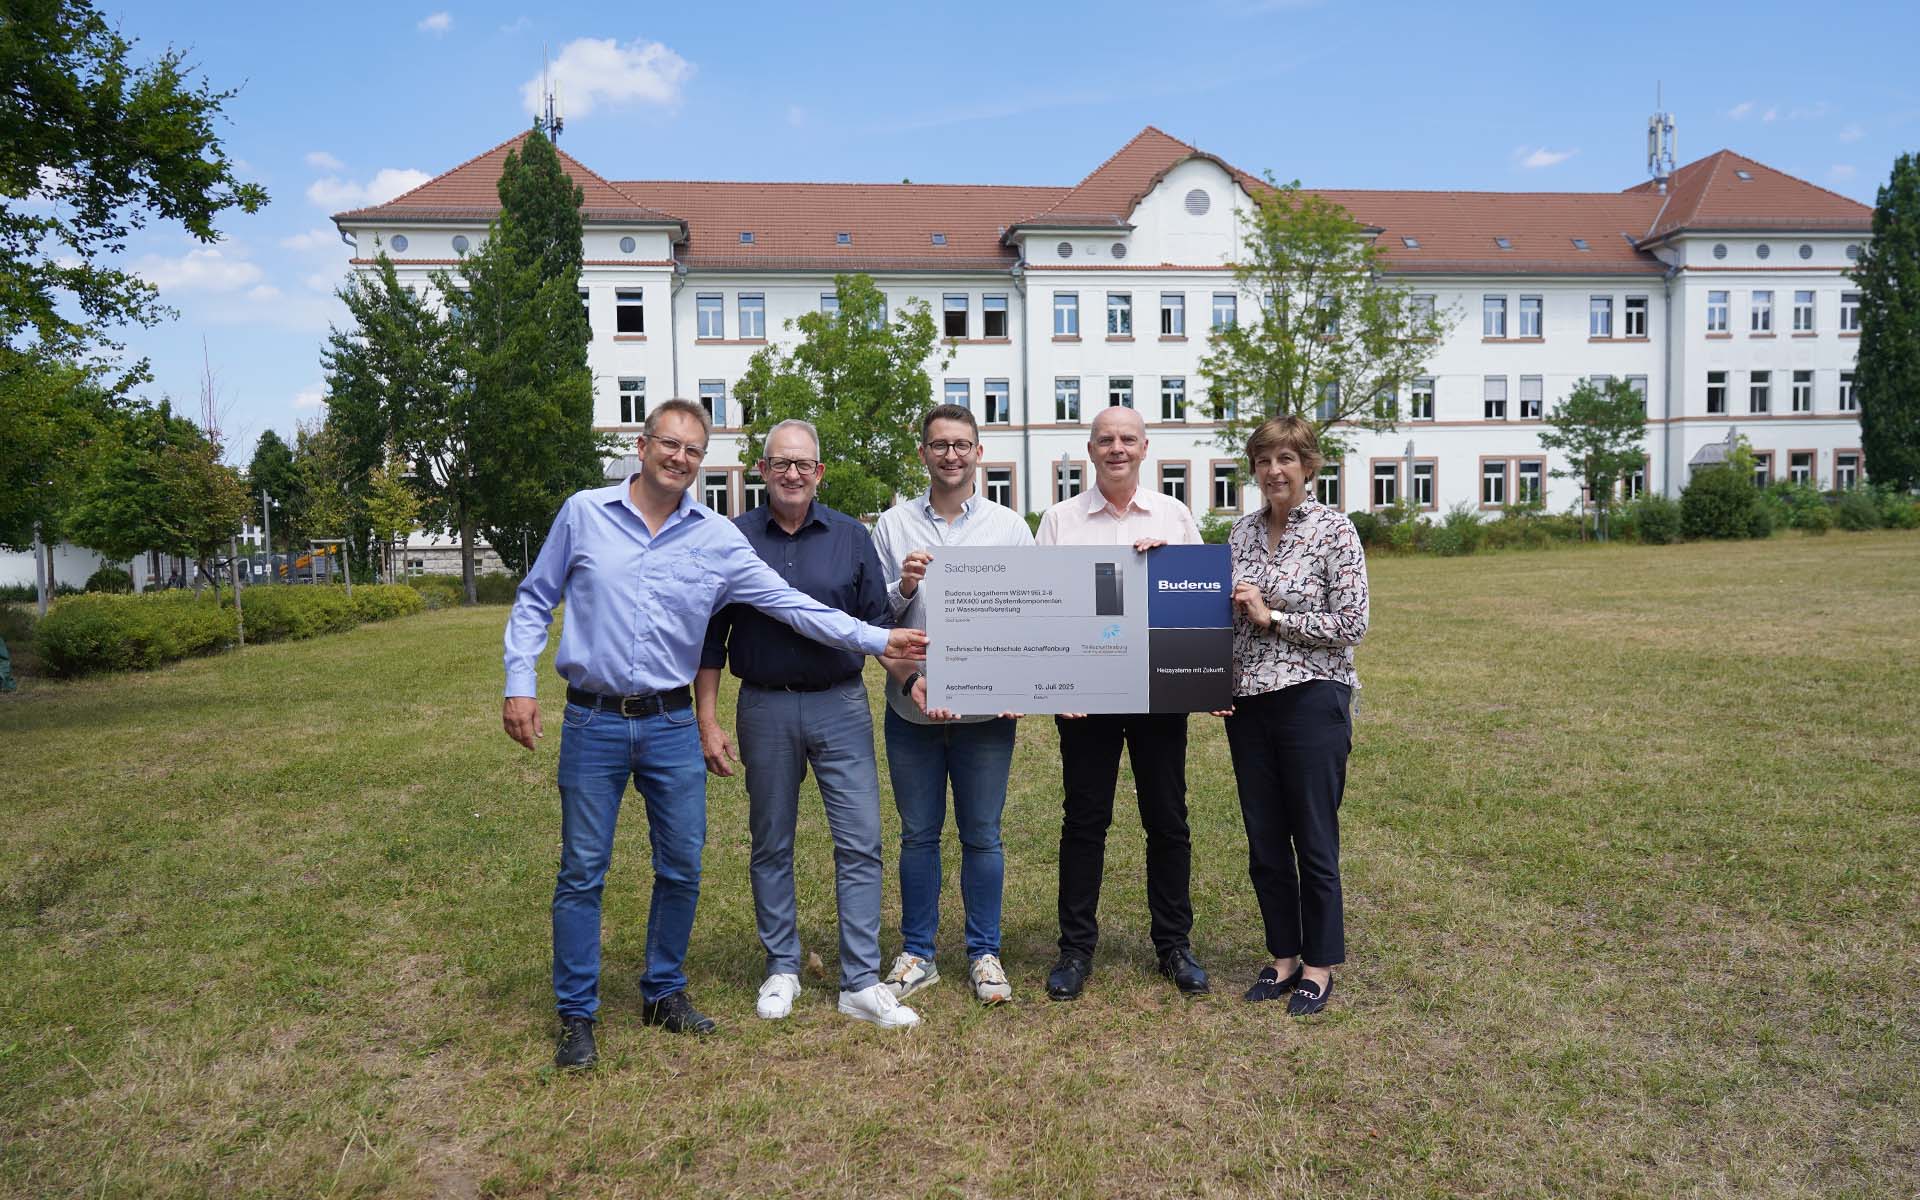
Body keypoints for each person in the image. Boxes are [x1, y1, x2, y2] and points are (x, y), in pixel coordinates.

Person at [504, 399, 928, 1069]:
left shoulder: (714, 535)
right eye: (668, 444)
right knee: (584, 870)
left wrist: (878, 638)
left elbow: (792, 606)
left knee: (682, 867)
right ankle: (577, 1014)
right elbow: (535, 598)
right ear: (643, 446)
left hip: (671, 721)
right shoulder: (584, 513)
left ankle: (662, 992)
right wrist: (519, 681)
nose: (678, 457)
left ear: (704, 462)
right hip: (594, 719)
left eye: (693, 450)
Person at [694, 418, 920, 1030]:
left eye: (804, 464)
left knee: (861, 839)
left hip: (839, 705)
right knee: (772, 840)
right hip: (763, 706)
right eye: (780, 463)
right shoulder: (734, 538)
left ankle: (858, 982)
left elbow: (878, 629)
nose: (792, 473)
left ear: (819, 473)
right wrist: (708, 720)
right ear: (761, 470)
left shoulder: (851, 538)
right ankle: (782, 966)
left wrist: (914, 681)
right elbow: (711, 640)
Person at [1034, 406, 1209, 1000]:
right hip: (1086, 696)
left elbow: (1199, 606)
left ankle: (1175, 945)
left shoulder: (1174, 514)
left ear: (1144, 448)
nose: (1116, 448)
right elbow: (1042, 609)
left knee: (1168, 818)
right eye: (1105, 439)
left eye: (1126, 439)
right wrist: (1060, 683)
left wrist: (1170, 565)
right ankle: (1075, 949)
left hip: (1159, 691)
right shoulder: (1059, 520)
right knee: (1085, 820)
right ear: (1090, 450)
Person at [871, 403, 1035, 1006]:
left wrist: (1024, 682)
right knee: (918, 835)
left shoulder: (1009, 527)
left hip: (987, 716)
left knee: (983, 835)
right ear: (923, 453)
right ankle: (918, 952)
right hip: (912, 706)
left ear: (978, 452)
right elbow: (872, 623)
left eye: (962, 444)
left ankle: (984, 952)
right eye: (939, 445)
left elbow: (1032, 615)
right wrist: (906, 587)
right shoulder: (890, 527)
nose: (951, 455)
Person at [1223, 415, 1369, 1016]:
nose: (1274, 470)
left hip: (1314, 698)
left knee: (1312, 834)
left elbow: (1352, 624)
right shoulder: (1240, 533)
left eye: (1286, 459)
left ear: (1309, 466)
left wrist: (1272, 618)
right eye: (1263, 460)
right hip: (1248, 703)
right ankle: (1283, 956)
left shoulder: (1336, 531)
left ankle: (1319, 964)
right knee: (1264, 837)